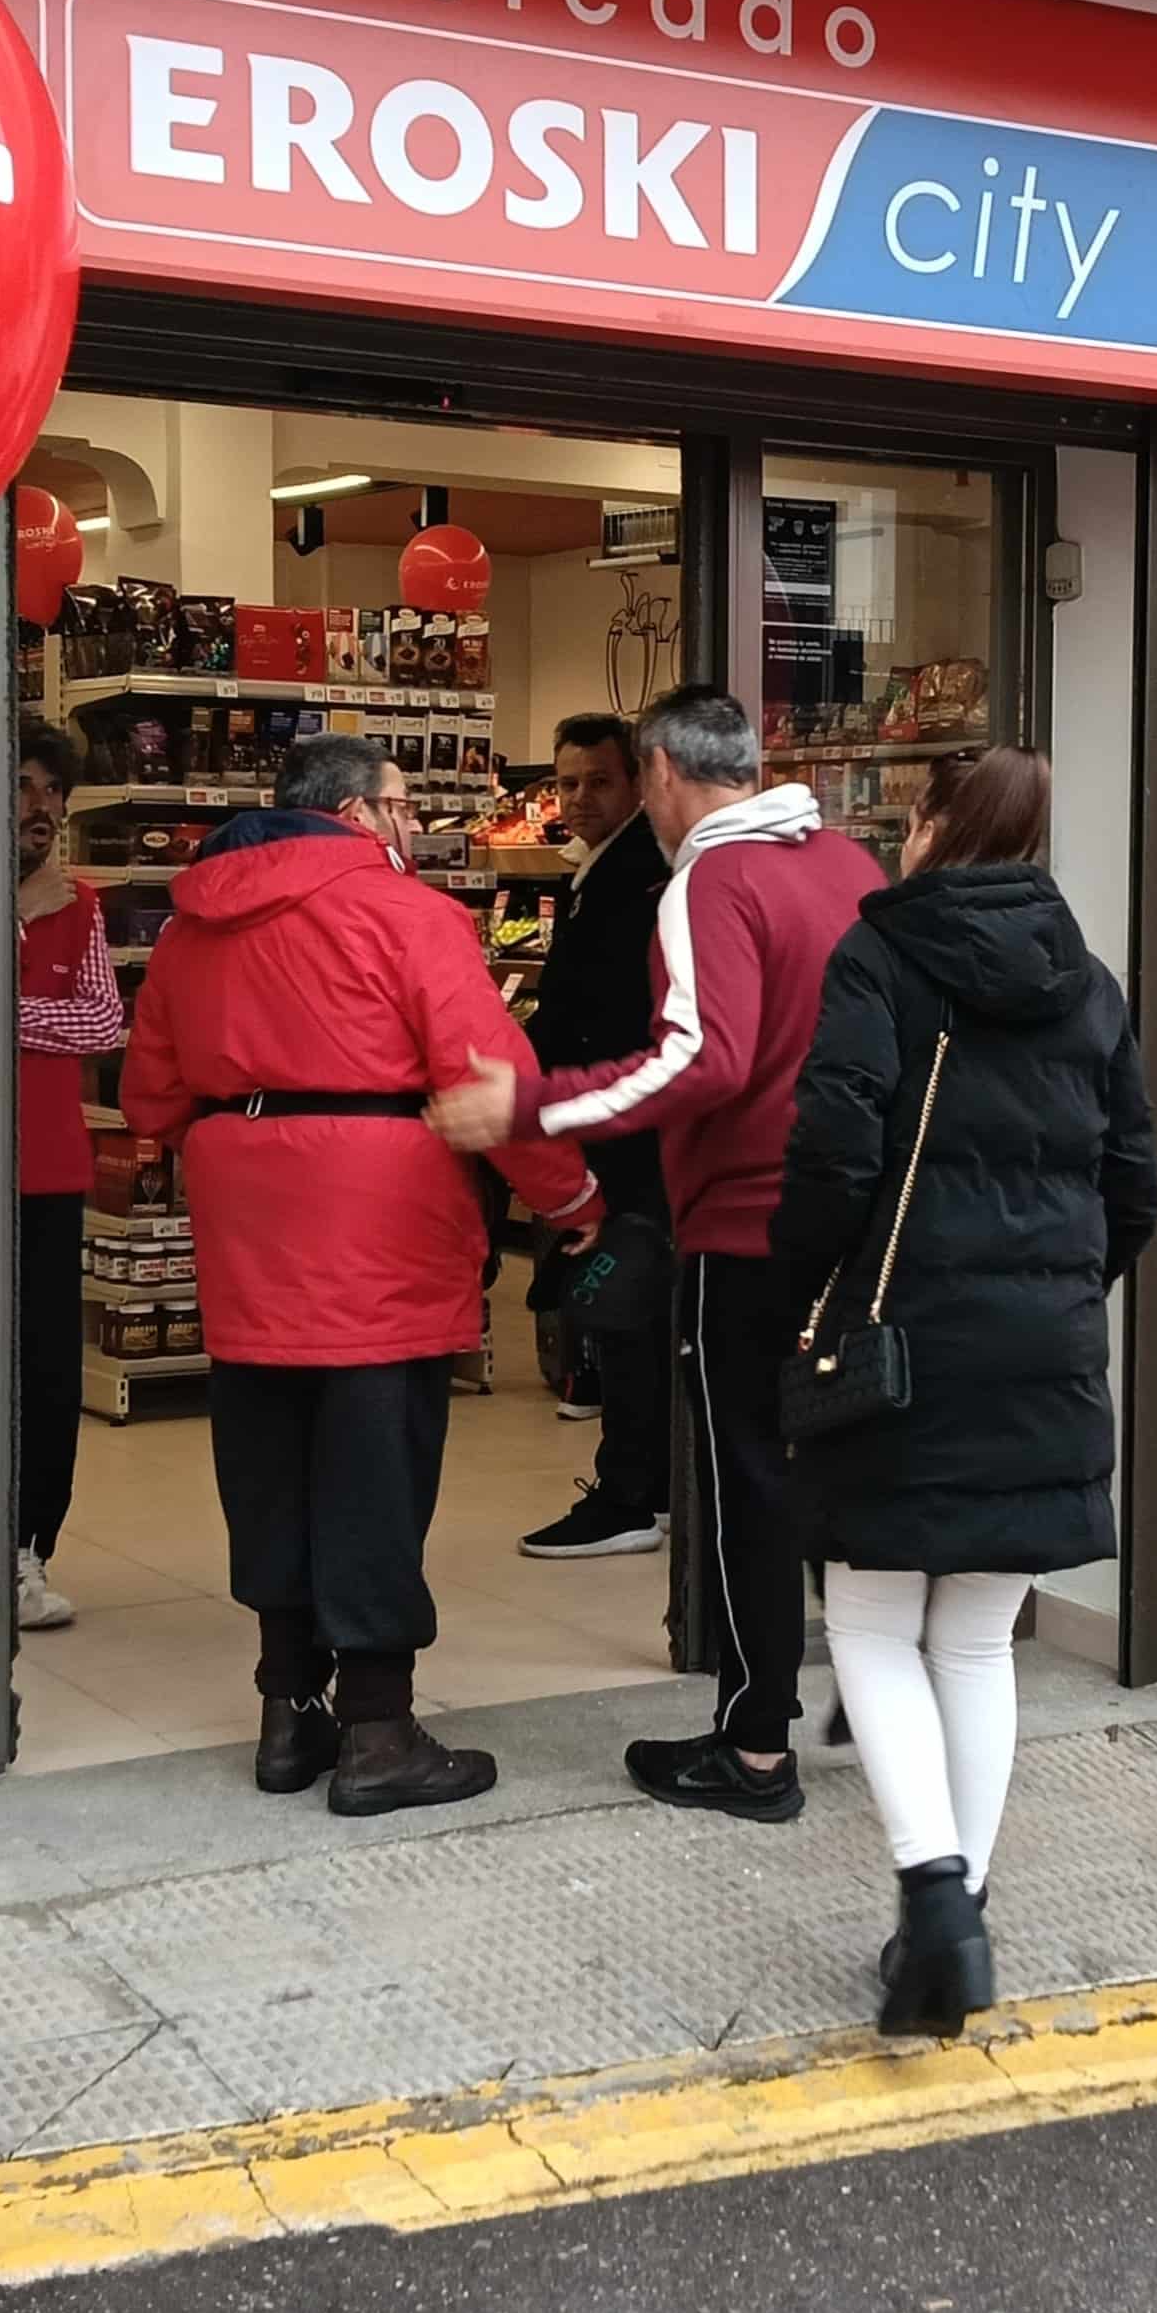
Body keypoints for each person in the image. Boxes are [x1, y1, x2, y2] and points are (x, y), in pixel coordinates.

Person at [121, 734, 601, 1816]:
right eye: (403, 805)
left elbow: (151, 1084)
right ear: (356, 814)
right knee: (375, 1467)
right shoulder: (406, 914)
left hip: (247, 1211)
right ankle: (379, 1730)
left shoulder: (196, 922)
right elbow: (488, 1073)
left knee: (266, 1460)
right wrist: (568, 1197)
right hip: (379, 1210)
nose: (414, 827)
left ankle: (288, 1714)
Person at [428, 686, 880, 1822]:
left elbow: (703, 1059)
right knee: (839, 1470)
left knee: (743, 1483)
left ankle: (753, 1744)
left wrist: (531, 1106)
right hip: (858, 1219)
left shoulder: (710, 881)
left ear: (664, 773)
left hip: (746, 1222)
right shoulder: (848, 867)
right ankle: (874, 1697)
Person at [773, 747, 1157, 2037]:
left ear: (932, 827)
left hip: (899, 1339)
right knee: (981, 1637)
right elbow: (1133, 1181)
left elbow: (836, 1143)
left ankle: (931, 1893)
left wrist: (801, 1280)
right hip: (1040, 1342)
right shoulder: (1090, 983)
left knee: (874, 1621)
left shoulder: (879, 957)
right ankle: (964, 1908)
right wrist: (1058, 1288)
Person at [515, 713, 675, 1558]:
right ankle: (653, 1485)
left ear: (641, 783)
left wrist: (524, 1082)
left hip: (628, 1126)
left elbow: (601, 1016)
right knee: (636, 1314)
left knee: (629, 1311)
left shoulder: (639, 877)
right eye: (567, 782)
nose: (579, 798)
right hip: (619, 1115)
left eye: (598, 781)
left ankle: (631, 1493)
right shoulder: (603, 870)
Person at [12, 724, 122, 1634]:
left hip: (48, 1171)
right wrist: (11, 919)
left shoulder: (81, 904)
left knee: (47, 1372)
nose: (41, 807)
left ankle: (27, 1552)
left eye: (54, 792)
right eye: (23, 785)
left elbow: (98, 1027)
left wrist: (2, 1010)